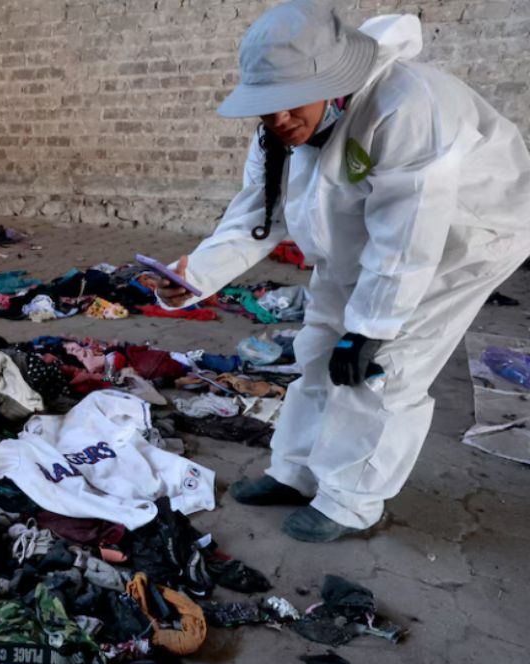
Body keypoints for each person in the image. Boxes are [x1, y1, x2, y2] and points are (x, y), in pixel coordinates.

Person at [153, 0, 530, 542]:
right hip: (361, 240)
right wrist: (190, 278)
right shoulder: (279, 133)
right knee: (318, 350)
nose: (279, 119)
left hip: (464, 238)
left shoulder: (407, 107)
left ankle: (351, 501)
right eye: (267, 106)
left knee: (379, 369)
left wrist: (372, 328)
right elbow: (256, 217)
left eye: (288, 104)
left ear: (333, 83)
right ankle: (296, 471)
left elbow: (410, 233)